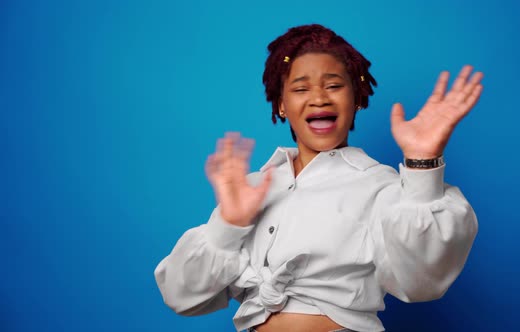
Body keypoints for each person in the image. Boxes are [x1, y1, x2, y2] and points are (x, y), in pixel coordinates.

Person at [154, 24, 481, 332]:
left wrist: (422, 162)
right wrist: (228, 224)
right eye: (300, 88)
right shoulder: (250, 189)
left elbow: (422, 281)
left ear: (356, 99)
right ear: (282, 104)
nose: (320, 97)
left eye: (335, 85)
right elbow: (181, 297)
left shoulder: (382, 186)